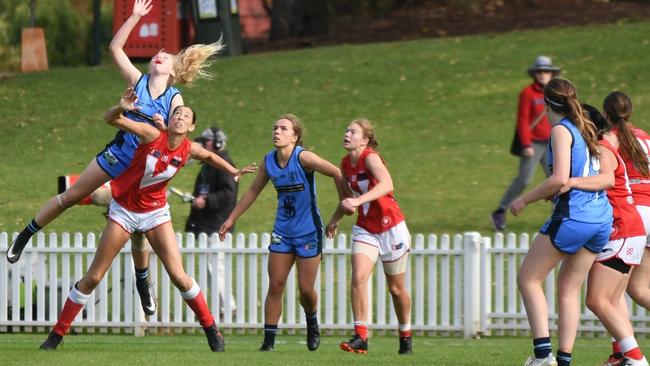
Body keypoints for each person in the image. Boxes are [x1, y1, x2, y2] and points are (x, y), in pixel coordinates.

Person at [7, 0, 223, 317]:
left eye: (165, 56)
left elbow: (178, 136)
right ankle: (24, 236)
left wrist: (164, 130)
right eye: (156, 55)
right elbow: (115, 48)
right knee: (70, 196)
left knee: (139, 231)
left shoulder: (174, 98)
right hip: (118, 156)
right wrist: (134, 17)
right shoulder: (138, 81)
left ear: (174, 71)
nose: (159, 55)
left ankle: (142, 281)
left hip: (144, 171)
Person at [39, 87, 256, 351]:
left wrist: (234, 171)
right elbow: (111, 120)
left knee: (179, 276)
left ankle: (211, 329)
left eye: (186, 115)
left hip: (155, 213)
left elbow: (210, 156)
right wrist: (121, 107)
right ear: (169, 119)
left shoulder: (189, 149)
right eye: (177, 112)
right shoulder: (152, 134)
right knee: (94, 277)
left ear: (192, 126)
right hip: (124, 210)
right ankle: (57, 335)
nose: (180, 116)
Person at [218, 114, 347, 352]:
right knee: (275, 285)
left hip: (309, 232)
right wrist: (231, 218)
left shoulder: (304, 157)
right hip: (282, 232)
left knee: (306, 289)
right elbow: (252, 191)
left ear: (295, 137)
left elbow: (337, 173)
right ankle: (268, 343)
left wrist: (343, 206)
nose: (277, 131)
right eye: (275, 127)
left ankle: (312, 320)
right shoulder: (269, 161)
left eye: (283, 128)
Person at [509, 78, 613, 366]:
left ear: (546, 104)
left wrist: (524, 199)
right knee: (568, 288)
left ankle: (543, 355)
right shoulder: (587, 127)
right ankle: (564, 360)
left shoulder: (560, 130)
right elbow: (599, 176)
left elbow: (559, 179)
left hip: (574, 217)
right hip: (600, 218)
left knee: (528, 279)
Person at [562, 104, 648, 366]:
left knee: (599, 298)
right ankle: (623, 355)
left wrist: (568, 183)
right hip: (635, 219)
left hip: (628, 221)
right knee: (619, 294)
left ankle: (634, 358)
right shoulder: (636, 136)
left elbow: (607, 180)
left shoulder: (604, 146)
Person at [326, 119, 413, 355]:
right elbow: (347, 197)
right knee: (359, 276)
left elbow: (387, 184)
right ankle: (361, 337)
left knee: (396, 289)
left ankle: (405, 337)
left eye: (353, 131)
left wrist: (358, 200)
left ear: (364, 140)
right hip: (366, 228)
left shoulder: (371, 158)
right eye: (346, 130)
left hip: (391, 226)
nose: (347, 134)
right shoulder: (345, 163)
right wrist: (335, 218)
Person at [599, 92, 650, 366]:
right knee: (639, 290)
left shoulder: (611, 138)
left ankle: (623, 354)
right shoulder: (645, 137)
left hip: (634, 213)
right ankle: (622, 354)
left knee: (610, 294)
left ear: (606, 113)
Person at [491, 56, 561, 231]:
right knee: (524, 179)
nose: (543, 74)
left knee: (557, 179)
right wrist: (526, 144)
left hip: (553, 141)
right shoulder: (527, 93)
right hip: (534, 143)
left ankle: (558, 215)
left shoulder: (556, 93)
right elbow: (522, 120)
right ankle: (500, 210)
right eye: (539, 71)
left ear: (551, 73)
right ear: (535, 74)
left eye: (546, 71)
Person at [185, 126, 237, 316]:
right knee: (210, 268)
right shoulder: (209, 166)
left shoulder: (224, 165)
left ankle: (229, 306)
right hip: (209, 225)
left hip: (217, 225)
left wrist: (205, 201)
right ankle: (225, 307)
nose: (202, 144)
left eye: (206, 141)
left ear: (216, 143)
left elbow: (228, 195)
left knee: (215, 267)